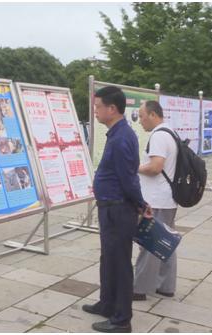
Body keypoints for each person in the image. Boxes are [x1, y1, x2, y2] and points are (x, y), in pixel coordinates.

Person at [82, 86, 152, 333]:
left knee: (120, 262)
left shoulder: (123, 137)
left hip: (119, 209)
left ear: (112, 109)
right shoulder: (116, 133)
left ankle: (122, 319)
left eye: (98, 106)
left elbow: (129, 178)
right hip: (109, 208)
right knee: (108, 258)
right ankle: (107, 303)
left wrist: (141, 204)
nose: (95, 110)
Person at [133, 100, 179, 301]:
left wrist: (134, 167)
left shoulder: (159, 135)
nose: (140, 121)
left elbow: (155, 167)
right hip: (167, 198)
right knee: (166, 242)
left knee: (150, 244)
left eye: (142, 116)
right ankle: (166, 286)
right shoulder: (171, 131)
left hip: (157, 199)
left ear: (153, 115)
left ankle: (139, 289)